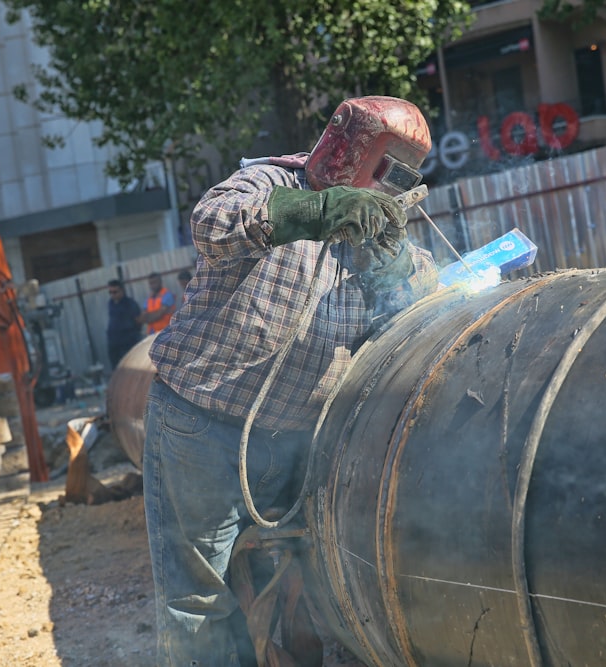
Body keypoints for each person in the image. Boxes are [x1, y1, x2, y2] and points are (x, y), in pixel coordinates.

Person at [143, 95, 439, 666]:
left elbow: (422, 294)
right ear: (364, 156)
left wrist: (399, 264)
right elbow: (210, 224)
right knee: (199, 599)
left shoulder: (374, 225)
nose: (393, 186)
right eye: (389, 170)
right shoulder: (267, 180)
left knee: (292, 589)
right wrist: (315, 212)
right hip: (199, 425)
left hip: (291, 442)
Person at [106, 278, 143, 370]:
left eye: (115, 292)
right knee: (117, 368)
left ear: (122, 291)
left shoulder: (130, 303)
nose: (112, 295)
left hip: (127, 341)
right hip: (114, 342)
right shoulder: (111, 303)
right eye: (110, 292)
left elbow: (138, 320)